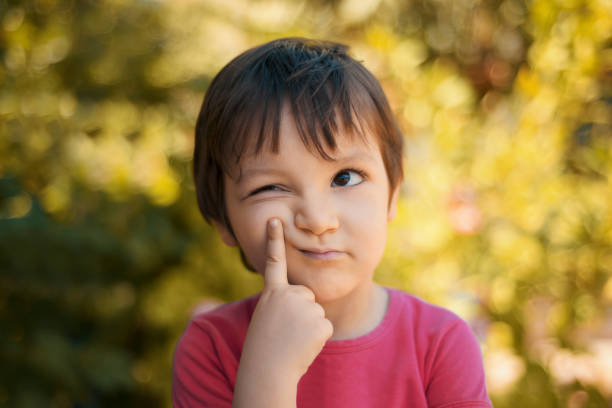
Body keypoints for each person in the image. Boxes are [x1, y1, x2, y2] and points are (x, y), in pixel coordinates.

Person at [172, 37, 492, 408]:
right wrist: (267, 375)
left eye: (345, 178)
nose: (318, 220)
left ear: (393, 193)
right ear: (223, 220)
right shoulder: (211, 348)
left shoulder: (441, 344)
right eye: (271, 186)